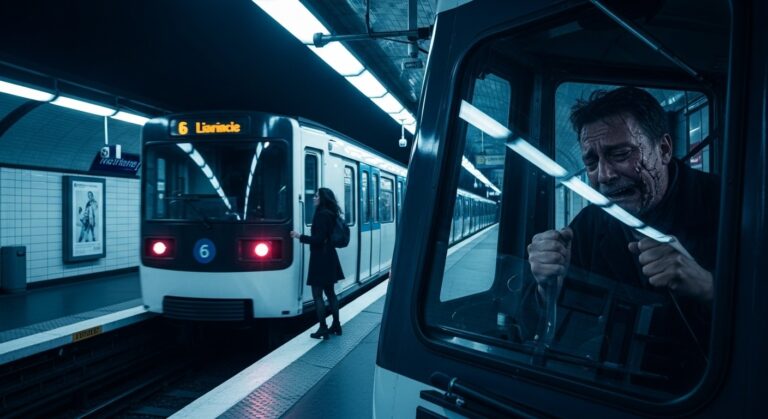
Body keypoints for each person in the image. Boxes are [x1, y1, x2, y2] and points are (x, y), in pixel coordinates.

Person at [523, 86, 719, 392]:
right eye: (591, 162)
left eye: (620, 154)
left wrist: (708, 287)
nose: (604, 175)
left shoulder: (731, 207)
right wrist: (546, 288)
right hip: (613, 394)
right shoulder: (589, 224)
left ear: (664, 149)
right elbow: (533, 329)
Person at [290, 188, 345, 339]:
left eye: (316, 196)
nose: (313, 198)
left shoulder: (321, 215)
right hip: (330, 256)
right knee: (331, 293)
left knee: (318, 295)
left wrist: (299, 236)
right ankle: (336, 325)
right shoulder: (332, 213)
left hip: (320, 258)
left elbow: (319, 239)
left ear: (322, 198)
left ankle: (323, 328)